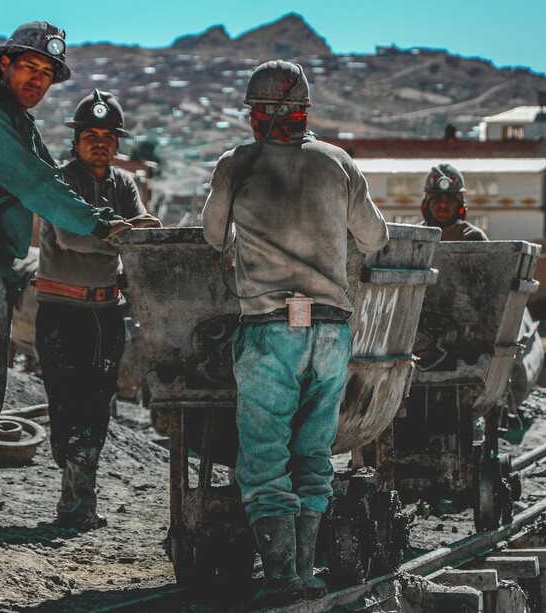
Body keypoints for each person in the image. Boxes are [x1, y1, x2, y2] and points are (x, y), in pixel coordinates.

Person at [0, 21, 151, 547]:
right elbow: (39, 184)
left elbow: (44, 174)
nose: (38, 80)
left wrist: (100, 218)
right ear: (4, 65)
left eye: (47, 73)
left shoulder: (18, 123)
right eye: (30, 67)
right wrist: (101, 223)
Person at [202, 60, 388, 606]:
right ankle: (306, 570)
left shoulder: (237, 163)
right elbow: (374, 237)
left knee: (264, 456)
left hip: (268, 332)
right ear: (305, 110)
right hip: (330, 333)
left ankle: (280, 573)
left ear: (256, 114)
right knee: (313, 453)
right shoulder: (339, 163)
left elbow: (213, 236)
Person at [35, 89, 160, 531]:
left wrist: (132, 231)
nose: (100, 143)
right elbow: (71, 236)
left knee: (97, 405)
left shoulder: (123, 184)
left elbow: (141, 232)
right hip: (62, 312)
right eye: (91, 135)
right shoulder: (59, 181)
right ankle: (75, 500)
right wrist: (116, 234)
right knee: (67, 405)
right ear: (77, 140)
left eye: (108, 136)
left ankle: (77, 505)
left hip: (106, 313)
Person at [419, 163, 487, 241]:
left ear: (460, 205)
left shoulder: (472, 236)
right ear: (426, 204)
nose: (443, 205)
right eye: (437, 198)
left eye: (450, 199)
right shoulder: (413, 236)